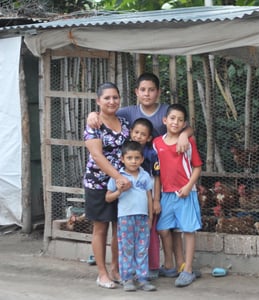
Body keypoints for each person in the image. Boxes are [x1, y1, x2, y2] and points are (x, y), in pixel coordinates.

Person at [87, 72, 193, 277]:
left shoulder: (162, 111)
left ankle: (173, 265)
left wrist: (183, 135)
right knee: (127, 227)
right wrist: (92, 114)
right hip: (122, 182)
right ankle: (122, 270)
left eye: (151, 89)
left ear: (158, 92)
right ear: (136, 92)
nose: (147, 94)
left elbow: (186, 126)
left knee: (165, 224)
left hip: (160, 176)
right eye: (142, 90)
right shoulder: (127, 112)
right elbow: (104, 115)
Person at [83, 82, 131, 289]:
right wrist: (118, 177)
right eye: (107, 98)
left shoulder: (124, 121)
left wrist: (123, 179)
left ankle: (116, 269)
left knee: (119, 229)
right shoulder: (93, 124)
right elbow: (97, 155)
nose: (112, 101)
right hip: (99, 184)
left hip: (123, 185)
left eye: (115, 97)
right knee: (100, 228)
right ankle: (102, 273)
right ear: (98, 101)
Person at [153, 103, 202, 287]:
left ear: (184, 124)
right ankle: (170, 265)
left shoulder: (189, 143)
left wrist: (189, 186)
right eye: (172, 118)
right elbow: (155, 171)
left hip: (185, 194)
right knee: (163, 229)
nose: (176, 122)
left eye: (180, 120)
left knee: (189, 231)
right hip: (166, 194)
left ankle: (188, 270)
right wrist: (156, 197)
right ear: (165, 120)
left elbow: (197, 166)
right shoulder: (156, 143)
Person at [105, 140, 157, 292]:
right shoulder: (118, 177)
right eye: (129, 158)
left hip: (142, 218)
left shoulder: (145, 176)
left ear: (142, 159)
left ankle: (142, 279)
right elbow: (108, 198)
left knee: (142, 248)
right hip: (125, 218)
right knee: (126, 249)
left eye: (136, 158)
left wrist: (150, 217)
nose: (133, 161)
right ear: (122, 159)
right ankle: (127, 278)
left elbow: (149, 196)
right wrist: (119, 191)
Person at [128, 118, 161, 279]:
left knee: (150, 232)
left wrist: (156, 201)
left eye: (143, 134)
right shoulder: (125, 152)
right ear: (130, 133)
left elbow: (157, 177)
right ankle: (133, 266)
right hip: (130, 201)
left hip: (149, 199)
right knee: (131, 233)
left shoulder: (151, 154)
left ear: (148, 138)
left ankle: (153, 266)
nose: (139, 136)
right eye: (136, 132)